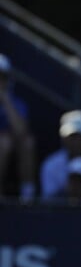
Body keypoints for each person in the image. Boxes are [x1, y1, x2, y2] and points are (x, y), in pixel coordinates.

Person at [0, 54, 36, 200]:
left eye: (1, 78)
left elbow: (21, 131)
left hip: (10, 143)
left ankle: (27, 195)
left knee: (27, 143)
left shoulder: (16, 103)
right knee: (3, 144)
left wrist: (5, 100)